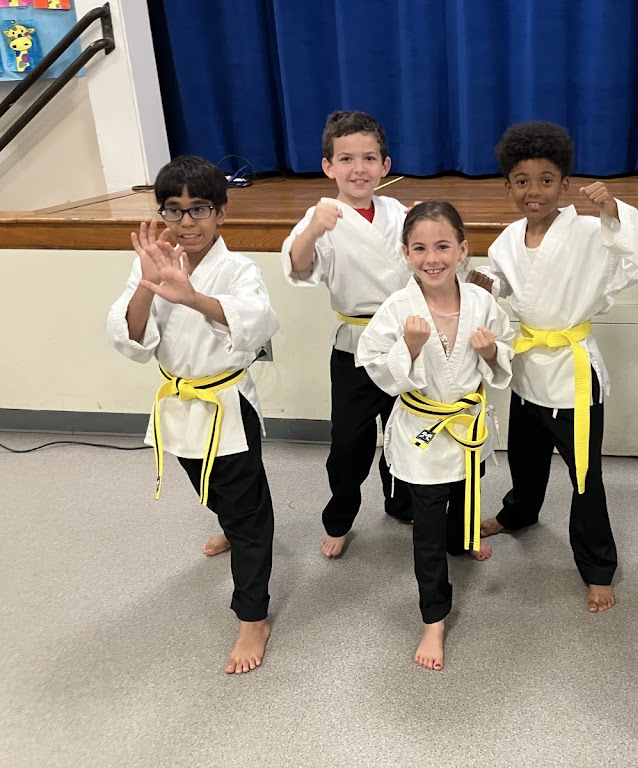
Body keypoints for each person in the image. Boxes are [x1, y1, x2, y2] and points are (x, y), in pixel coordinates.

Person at [467, 121, 638, 613]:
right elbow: (513, 286)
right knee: (525, 458)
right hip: (527, 368)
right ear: (508, 186)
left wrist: (613, 210)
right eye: (522, 181)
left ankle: (598, 568)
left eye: (545, 179)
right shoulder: (507, 240)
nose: (533, 191)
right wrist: (490, 283)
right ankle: (519, 513)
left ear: (564, 183)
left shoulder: (589, 232)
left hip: (572, 376)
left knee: (584, 475)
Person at [106, 155, 280, 674]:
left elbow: (257, 322)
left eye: (199, 208)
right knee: (209, 488)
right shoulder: (154, 262)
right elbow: (131, 338)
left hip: (227, 406)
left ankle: (253, 617)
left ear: (221, 212)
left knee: (249, 512)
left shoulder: (238, 270)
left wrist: (194, 297)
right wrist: (146, 283)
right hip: (178, 405)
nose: (187, 221)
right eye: (174, 210)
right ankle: (231, 523)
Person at [356, 201, 515, 671]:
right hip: (423, 431)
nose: (432, 258)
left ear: (462, 250)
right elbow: (373, 364)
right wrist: (408, 347)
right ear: (406, 253)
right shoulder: (397, 308)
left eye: (443, 246)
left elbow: (506, 349)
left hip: (465, 425)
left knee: (468, 488)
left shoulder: (482, 303)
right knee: (427, 529)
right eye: (420, 248)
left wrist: (491, 352)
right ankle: (433, 618)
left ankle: (463, 539)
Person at [281, 110, 414, 559]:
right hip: (354, 347)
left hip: (405, 342)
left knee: (406, 428)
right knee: (349, 443)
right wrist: (314, 229)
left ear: (385, 165)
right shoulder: (321, 216)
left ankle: (401, 502)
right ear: (328, 166)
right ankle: (339, 518)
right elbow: (299, 267)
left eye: (369, 158)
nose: (359, 169)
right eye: (347, 159)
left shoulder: (397, 212)